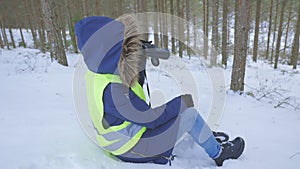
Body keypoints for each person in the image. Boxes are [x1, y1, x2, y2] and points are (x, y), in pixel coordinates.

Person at [75, 15, 245, 167]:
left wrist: (138, 55)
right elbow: (150, 119)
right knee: (189, 115)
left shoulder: (98, 70)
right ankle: (220, 154)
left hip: (121, 139)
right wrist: (182, 102)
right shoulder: (114, 91)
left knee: (178, 111)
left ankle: (204, 134)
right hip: (131, 149)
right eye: (122, 43)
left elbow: (130, 83)